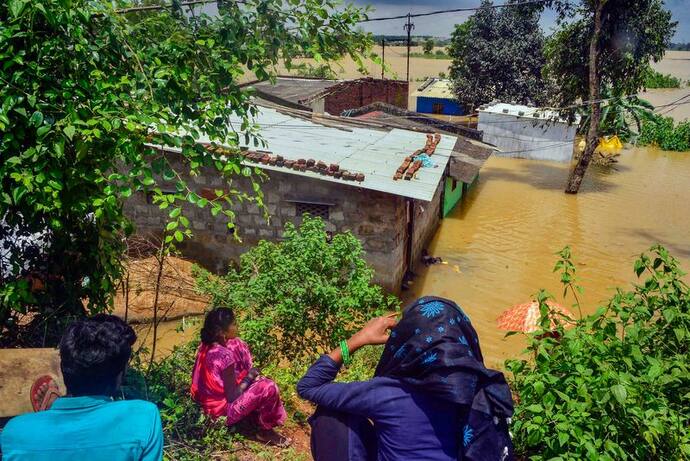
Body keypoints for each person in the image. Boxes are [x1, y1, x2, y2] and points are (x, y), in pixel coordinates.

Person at [298, 296, 515, 461]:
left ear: (407, 341)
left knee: (331, 414)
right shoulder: (482, 393)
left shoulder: (388, 392)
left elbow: (309, 386)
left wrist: (359, 338)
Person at [0, 314, 163, 461]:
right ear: (120, 376)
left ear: (63, 369)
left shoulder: (14, 433)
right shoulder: (144, 417)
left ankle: (51, 414)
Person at [190, 307, 290, 447]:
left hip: (202, 406)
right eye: (234, 323)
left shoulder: (205, 346)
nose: (236, 326)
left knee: (237, 344)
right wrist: (249, 376)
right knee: (268, 387)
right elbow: (232, 396)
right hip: (220, 414)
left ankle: (254, 410)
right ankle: (265, 432)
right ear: (221, 331)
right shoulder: (224, 355)